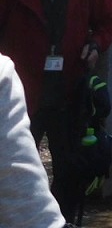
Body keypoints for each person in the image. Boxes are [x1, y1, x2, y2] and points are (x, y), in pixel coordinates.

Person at [0, 0, 112, 222]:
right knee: (14, 166)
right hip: (24, 95)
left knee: (69, 168)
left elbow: (109, 19)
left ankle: (62, 219)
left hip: (68, 92)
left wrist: (95, 44)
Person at [0, 53, 65, 228]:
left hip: (68, 87)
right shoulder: (2, 72)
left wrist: (97, 42)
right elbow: (30, 216)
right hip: (30, 86)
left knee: (69, 166)